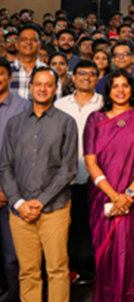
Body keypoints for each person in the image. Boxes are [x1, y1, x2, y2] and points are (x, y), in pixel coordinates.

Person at [0, 68, 77, 302]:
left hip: (55, 209)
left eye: (48, 84)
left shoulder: (66, 123)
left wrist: (40, 201)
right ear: (31, 87)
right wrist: (20, 202)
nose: (42, 89)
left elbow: (69, 169)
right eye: (38, 84)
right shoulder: (14, 124)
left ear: (55, 89)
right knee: (28, 272)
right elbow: (5, 166)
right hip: (20, 211)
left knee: (57, 270)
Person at [83, 69, 134, 302]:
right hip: (103, 198)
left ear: (132, 90)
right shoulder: (95, 119)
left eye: (125, 85)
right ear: (108, 91)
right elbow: (90, 161)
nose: (120, 90)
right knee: (106, 255)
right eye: (115, 86)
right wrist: (114, 196)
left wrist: (128, 194)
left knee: (133, 253)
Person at [55, 59, 103, 282]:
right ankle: (72, 270)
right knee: (69, 226)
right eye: (81, 73)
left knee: (92, 225)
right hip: (66, 176)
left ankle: (90, 271)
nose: (86, 77)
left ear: (98, 78)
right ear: (73, 78)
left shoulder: (104, 103)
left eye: (92, 74)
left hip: (98, 177)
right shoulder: (60, 105)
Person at [0, 58, 31, 302]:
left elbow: (26, 153)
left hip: (11, 192)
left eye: (0, 74)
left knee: (13, 255)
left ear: (9, 77)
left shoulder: (22, 107)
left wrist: (6, 190)